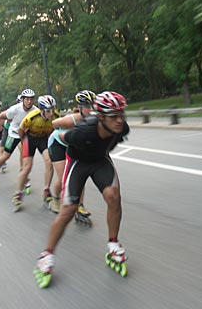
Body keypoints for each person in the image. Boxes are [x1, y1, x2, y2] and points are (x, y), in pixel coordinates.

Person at [35, 91, 130, 285]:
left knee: (113, 197)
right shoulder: (83, 130)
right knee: (69, 209)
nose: (119, 120)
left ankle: (113, 244)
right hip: (78, 161)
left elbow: (107, 143)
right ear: (101, 117)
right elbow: (61, 137)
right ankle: (47, 254)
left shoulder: (122, 128)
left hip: (99, 160)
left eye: (122, 114)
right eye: (114, 116)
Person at [47, 90, 96, 220]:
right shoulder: (73, 119)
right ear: (79, 107)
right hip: (57, 144)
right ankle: (55, 199)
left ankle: (80, 206)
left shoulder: (93, 118)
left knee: (80, 176)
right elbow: (54, 123)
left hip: (72, 146)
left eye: (92, 106)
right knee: (64, 178)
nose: (90, 109)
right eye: (87, 107)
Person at [12, 95, 60, 211]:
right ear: (42, 110)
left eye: (53, 109)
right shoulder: (31, 117)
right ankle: (18, 193)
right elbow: (21, 131)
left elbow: (58, 128)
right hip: (30, 139)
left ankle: (46, 191)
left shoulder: (56, 116)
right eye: (48, 111)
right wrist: (23, 143)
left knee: (49, 162)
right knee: (27, 167)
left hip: (43, 138)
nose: (51, 113)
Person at [0, 89, 37, 186]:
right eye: (27, 99)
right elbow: (2, 116)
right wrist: (10, 122)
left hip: (25, 135)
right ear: (22, 99)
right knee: (6, 155)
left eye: (31, 99)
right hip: (13, 134)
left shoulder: (35, 110)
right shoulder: (15, 109)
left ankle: (24, 176)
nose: (29, 101)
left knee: (25, 156)